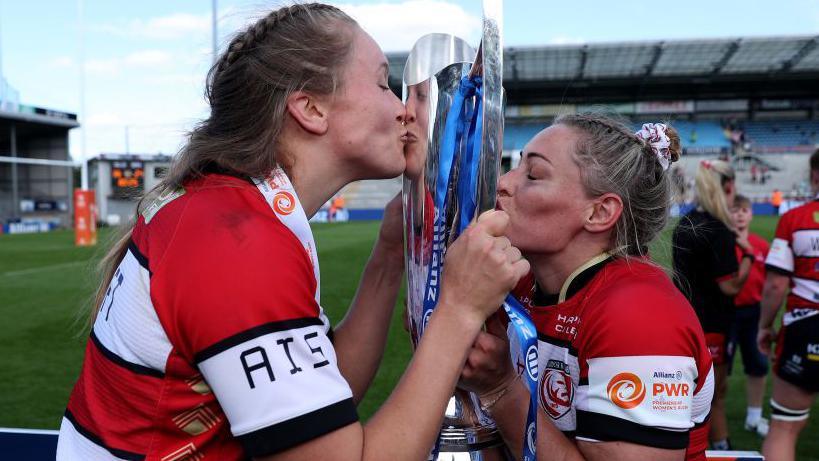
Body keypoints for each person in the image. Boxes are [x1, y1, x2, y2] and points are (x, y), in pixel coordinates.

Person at [56, 4, 529, 461]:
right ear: (310, 108)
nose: (404, 109)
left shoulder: (232, 211)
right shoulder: (236, 243)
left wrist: (389, 255)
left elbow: (321, 395)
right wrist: (460, 309)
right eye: (384, 83)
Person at [459, 116, 715, 460]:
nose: (502, 183)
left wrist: (500, 388)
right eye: (516, 168)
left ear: (599, 212)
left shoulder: (640, 316)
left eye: (533, 175)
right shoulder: (520, 282)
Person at [672, 158, 753, 451]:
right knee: (713, 396)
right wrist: (749, 257)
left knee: (690, 395)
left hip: (685, 321)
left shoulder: (686, 223)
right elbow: (730, 286)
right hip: (713, 325)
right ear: (729, 186)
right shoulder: (718, 230)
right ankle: (720, 448)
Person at [757, 149, 819, 461]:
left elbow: (776, 285)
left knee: (784, 427)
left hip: (805, 329)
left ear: (814, 176)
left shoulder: (795, 219)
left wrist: (765, 327)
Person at [729, 194, 770, 436]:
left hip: (754, 313)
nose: (740, 214)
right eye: (735, 210)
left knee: (757, 363)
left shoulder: (762, 245)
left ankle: (754, 417)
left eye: (744, 210)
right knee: (719, 368)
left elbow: (769, 281)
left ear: (751, 214)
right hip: (727, 313)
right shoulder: (724, 244)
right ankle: (709, 417)